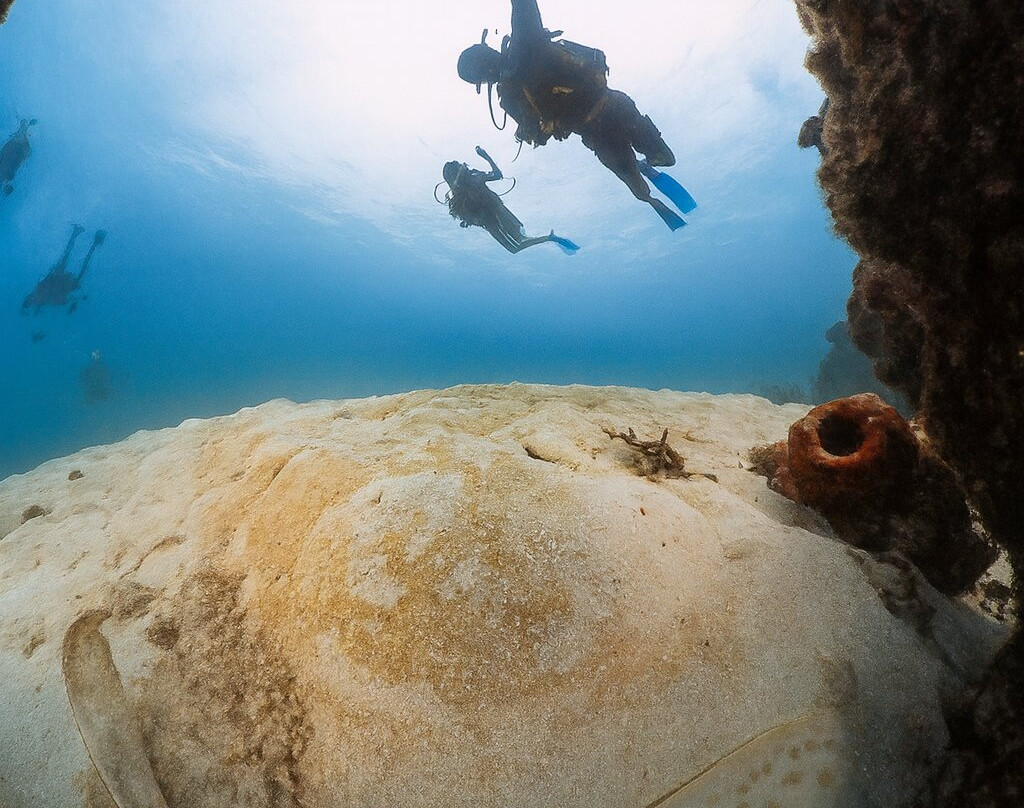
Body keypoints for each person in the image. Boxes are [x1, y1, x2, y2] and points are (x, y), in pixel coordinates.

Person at [457, 1, 695, 230]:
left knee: (664, 157)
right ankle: (644, 173)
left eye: (483, 77)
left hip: (613, 108)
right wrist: (536, 131)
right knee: (641, 193)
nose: (490, 79)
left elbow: (523, 6)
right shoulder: (509, 94)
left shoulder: (524, 44)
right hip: (596, 135)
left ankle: (647, 166)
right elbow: (537, 132)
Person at [441, 146, 579, 254]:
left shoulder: (474, 176)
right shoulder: (461, 187)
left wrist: (486, 156)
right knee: (515, 247)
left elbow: (497, 175)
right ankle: (550, 238)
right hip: (488, 219)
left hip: (496, 211)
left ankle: (551, 237)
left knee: (517, 244)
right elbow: (461, 198)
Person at [22, 225, 106, 313]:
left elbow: (57, 297)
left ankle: (80, 235)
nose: (32, 299)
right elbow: (60, 300)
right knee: (76, 265)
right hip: (61, 284)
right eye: (31, 301)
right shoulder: (41, 297)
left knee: (69, 259)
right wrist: (77, 298)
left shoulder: (39, 292)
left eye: (29, 300)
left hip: (58, 281)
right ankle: (91, 241)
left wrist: (74, 298)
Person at [1, 117, 36, 196]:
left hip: (12, 155)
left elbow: (19, 164)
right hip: (11, 155)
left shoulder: (25, 146)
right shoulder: (18, 141)